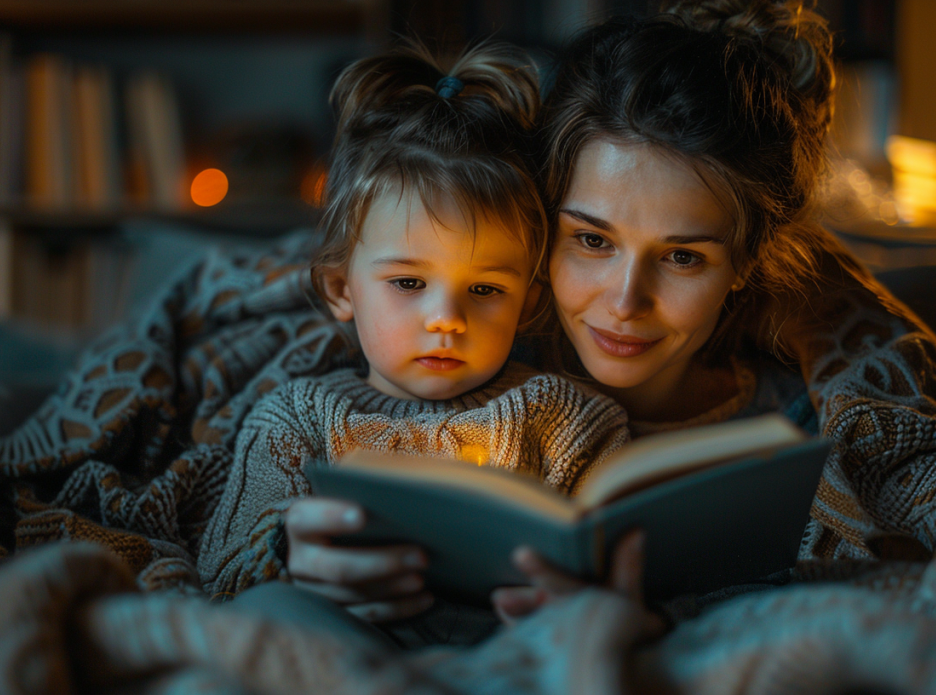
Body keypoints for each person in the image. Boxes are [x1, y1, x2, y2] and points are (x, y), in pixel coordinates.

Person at [282, 0, 936, 631]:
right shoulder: (460, 346)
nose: (626, 300)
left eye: (684, 257)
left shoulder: (805, 405)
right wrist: (298, 552)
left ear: (744, 266)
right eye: (591, 239)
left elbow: (935, 467)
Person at [196, 40, 632, 644]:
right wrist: (285, 551)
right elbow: (220, 575)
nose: (446, 319)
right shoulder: (298, 418)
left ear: (528, 304)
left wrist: (581, 592)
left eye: (484, 290)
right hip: (338, 651)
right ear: (341, 288)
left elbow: (627, 569)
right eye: (408, 282)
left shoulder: (567, 421)